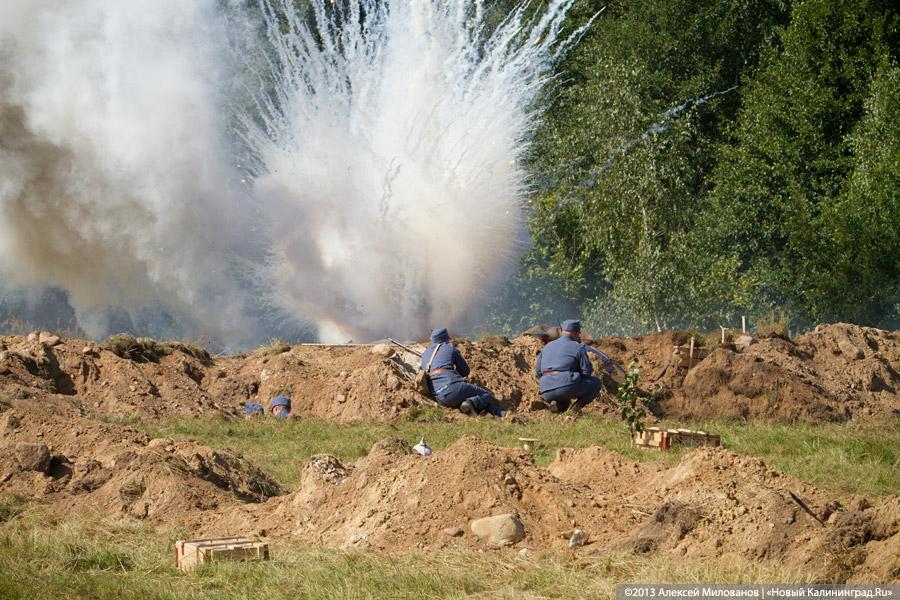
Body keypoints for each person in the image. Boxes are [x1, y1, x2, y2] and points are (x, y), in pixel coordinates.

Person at [419, 328, 505, 417]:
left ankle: (501, 414)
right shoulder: (449, 347)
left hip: (440, 397)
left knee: (473, 400)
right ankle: (471, 403)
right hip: (453, 388)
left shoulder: (425, 354)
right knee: (485, 394)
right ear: (445, 338)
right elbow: (465, 371)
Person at [534, 319, 603, 413]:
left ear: (562, 332)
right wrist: (576, 375)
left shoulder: (546, 347)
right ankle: (574, 410)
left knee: (564, 396)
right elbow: (587, 372)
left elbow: (538, 371)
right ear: (575, 333)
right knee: (596, 383)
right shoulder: (578, 347)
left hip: (546, 390)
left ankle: (558, 405)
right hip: (567, 385)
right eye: (579, 334)